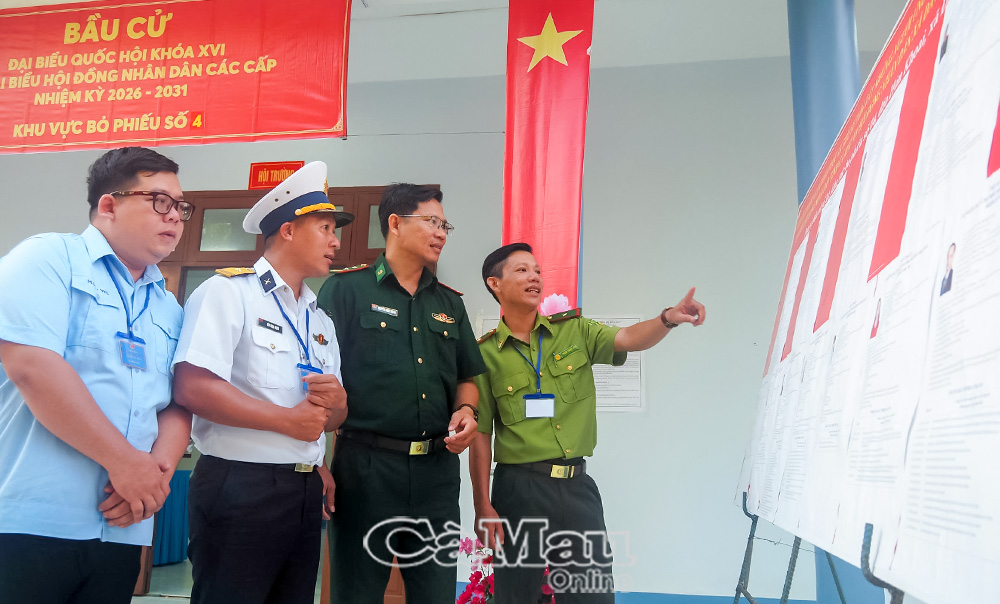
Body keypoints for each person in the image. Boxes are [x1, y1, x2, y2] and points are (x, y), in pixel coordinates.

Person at [0, 147, 192, 604]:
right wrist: (126, 464)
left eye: (181, 207)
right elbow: (32, 366)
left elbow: (178, 402)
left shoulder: (168, 305)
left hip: (123, 525)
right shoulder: (47, 258)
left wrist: (154, 477)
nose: (175, 216)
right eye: (159, 201)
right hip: (31, 521)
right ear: (109, 205)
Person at [470, 243, 706, 604]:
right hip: (519, 490)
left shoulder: (574, 330)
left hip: (576, 485)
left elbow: (628, 339)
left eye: (537, 270)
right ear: (495, 283)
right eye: (521, 270)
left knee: (590, 592)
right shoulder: (484, 354)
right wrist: (482, 506)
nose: (534, 277)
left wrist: (668, 319)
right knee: (516, 594)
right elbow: (481, 435)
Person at [172, 161, 351, 604]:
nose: (335, 241)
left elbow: (332, 418)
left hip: (305, 487)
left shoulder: (320, 319)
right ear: (287, 231)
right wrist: (287, 422)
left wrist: (338, 402)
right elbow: (193, 387)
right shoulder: (228, 293)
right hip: (240, 485)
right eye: (325, 228)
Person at [317, 183, 486, 603]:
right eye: (432, 222)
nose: (441, 233)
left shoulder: (450, 303)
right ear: (395, 223)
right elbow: (316, 381)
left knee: (435, 593)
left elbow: (468, 375)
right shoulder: (346, 290)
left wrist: (467, 410)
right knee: (357, 593)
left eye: (445, 226)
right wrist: (317, 462)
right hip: (365, 468)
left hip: (436, 472)